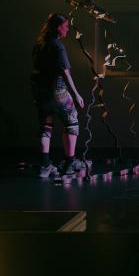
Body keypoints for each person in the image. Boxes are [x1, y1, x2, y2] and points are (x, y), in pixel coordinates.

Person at [30, 13, 85, 178]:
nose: (68, 28)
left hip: (40, 91)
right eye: (65, 26)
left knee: (46, 126)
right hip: (57, 92)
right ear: (57, 27)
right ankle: (69, 163)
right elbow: (65, 73)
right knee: (72, 120)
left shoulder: (40, 44)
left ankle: (45, 166)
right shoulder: (57, 46)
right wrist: (76, 95)